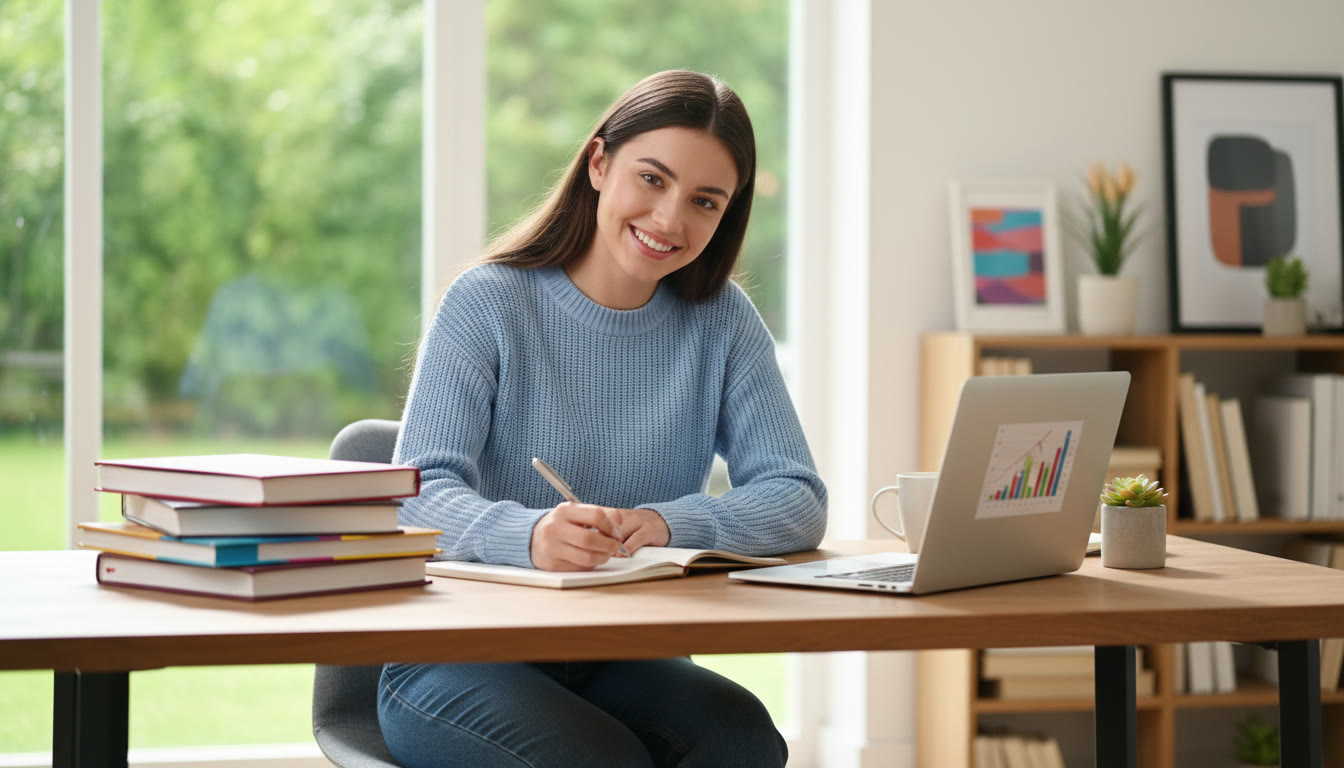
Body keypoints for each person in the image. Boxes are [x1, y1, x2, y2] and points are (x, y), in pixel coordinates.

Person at [379, 69, 828, 768]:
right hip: (457, 659)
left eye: (705, 201)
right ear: (598, 163)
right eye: (653, 179)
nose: (671, 220)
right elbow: (413, 499)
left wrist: (666, 523)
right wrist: (527, 535)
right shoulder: (488, 303)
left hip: (626, 655)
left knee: (741, 741)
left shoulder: (723, 324)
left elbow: (796, 500)